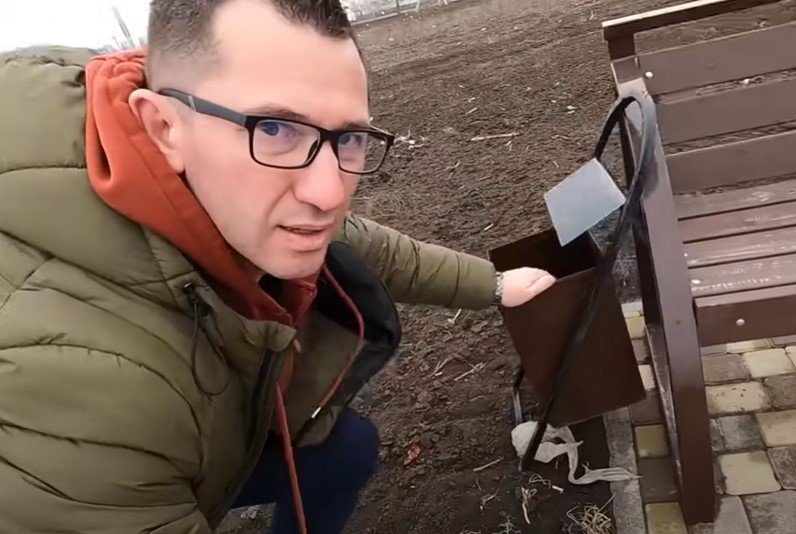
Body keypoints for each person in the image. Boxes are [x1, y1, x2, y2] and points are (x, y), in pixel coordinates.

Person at [0, 1, 555, 532]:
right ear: (162, 128)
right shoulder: (89, 399)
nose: (328, 191)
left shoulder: (216, 182)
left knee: (346, 453)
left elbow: (365, 244)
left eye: (351, 138)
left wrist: (497, 284)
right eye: (273, 128)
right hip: (150, 443)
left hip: (208, 432)